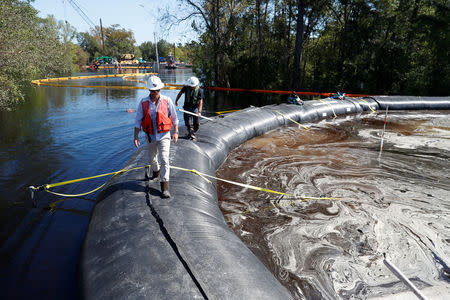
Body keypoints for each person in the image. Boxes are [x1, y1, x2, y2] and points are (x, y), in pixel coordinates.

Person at [134, 76, 179, 198]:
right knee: (152, 159)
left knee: (164, 159)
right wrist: (136, 137)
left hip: (164, 135)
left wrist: (176, 132)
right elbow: (138, 121)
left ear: (160, 89)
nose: (155, 92)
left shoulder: (167, 100)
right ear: (149, 90)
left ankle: (165, 187)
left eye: (157, 90)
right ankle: (156, 172)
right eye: (153, 90)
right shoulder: (143, 103)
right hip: (150, 136)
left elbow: (174, 118)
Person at [175, 76, 204, 141]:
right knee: (188, 123)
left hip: (195, 108)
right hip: (187, 108)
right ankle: (192, 135)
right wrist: (176, 100)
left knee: (197, 124)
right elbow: (180, 93)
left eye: (193, 86)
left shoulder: (199, 90)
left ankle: (192, 133)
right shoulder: (185, 88)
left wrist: (199, 111)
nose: (192, 87)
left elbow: (201, 102)